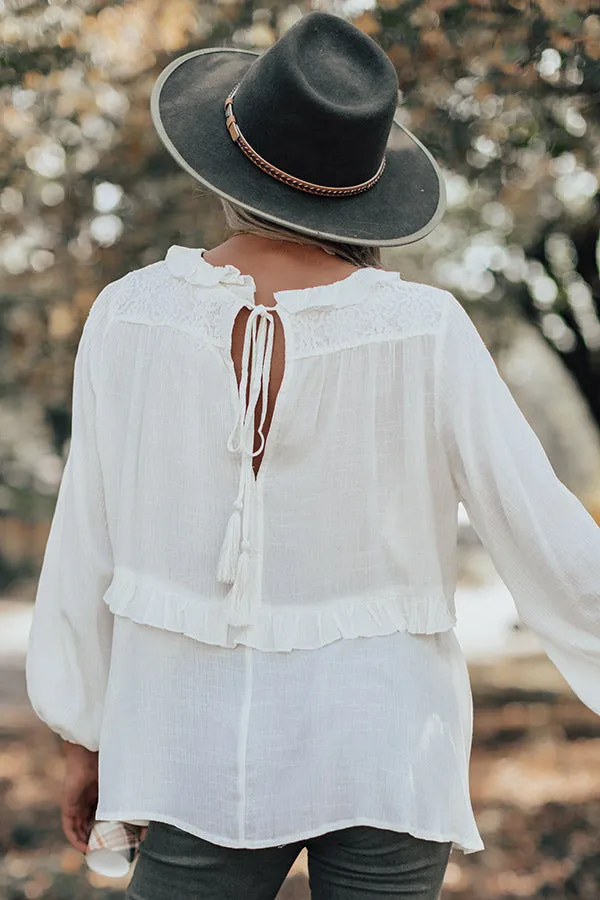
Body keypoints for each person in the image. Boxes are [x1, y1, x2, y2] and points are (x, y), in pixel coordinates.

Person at [25, 11, 600, 900]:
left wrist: (83, 735)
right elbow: (544, 530)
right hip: (385, 745)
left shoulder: (129, 317)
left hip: (187, 741)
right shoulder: (425, 332)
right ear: (360, 190)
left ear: (225, 170)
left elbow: (85, 542)